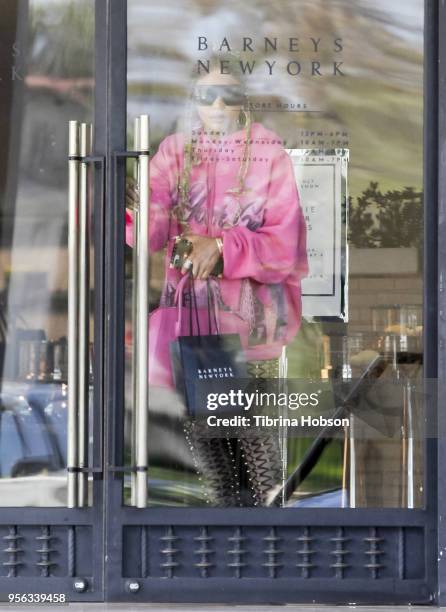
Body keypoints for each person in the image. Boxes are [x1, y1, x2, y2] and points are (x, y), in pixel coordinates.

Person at [126, 59, 308, 506]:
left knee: (261, 464)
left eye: (230, 93)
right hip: (191, 327)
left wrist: (223, 248)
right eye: (208, 95)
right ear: (194, 100)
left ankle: (271, 553)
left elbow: (286, 246)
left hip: (251, 329)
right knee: (215, 465)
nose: (220, 103)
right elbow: (148, 237)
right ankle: (226, 553)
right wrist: (136, 208)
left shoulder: (269, 154)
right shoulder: (173, 152)